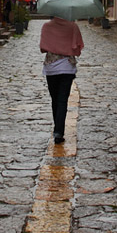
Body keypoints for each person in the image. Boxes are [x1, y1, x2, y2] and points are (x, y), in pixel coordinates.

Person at [39, 16, 84, 144]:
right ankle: (58, 131)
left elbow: (43, 48)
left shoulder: (46, 27)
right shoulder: (73, 26)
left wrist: (55, 45)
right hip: (67, 68)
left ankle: (57, 129)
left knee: (55, 99)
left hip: (51, 68)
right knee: (62, 100)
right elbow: (78, 49)